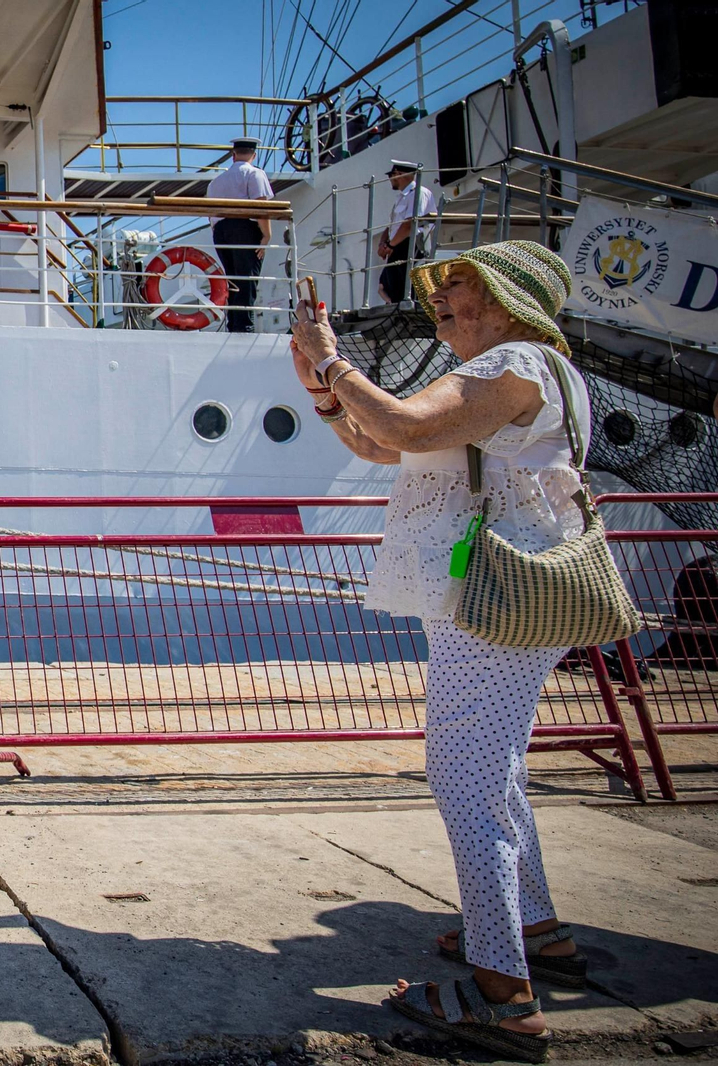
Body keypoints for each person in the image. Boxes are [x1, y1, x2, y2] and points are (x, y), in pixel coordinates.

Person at [290, 240, 592, 1064]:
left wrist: (332, 361)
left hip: (494, 598)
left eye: (462, 294)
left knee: (464, 777)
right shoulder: (522, 375)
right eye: (445, 295)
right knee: (497, 770)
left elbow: (404, 424)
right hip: (506, 593)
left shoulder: (515, 364)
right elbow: (382, 448)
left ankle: (504, 994)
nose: (444, 309)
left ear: (508, 302)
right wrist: (322, 390)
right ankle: (537, 931)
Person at [206, 136, 274, 332]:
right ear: (254, 155)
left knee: (233, 278)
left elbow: (211, 216)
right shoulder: (255, 174)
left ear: (233, 155)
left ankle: (234, 324)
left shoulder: (216, 182)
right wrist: (266, 236)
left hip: (221, 232)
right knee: (247, 278)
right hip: (245, 228)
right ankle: (244, 326)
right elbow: (260, 206)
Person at [377, 160, 436, 304]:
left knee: (405, 288)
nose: (390, 179)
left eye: (391, 175)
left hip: (411, 244)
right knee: (384, 285)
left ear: (399, 174)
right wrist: (383, 243)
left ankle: (404, 308)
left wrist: (390, 246)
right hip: (397, 244)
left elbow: (410, 225)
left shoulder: (419, 193)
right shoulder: (403, 197)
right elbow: (392, 226)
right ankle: (396, 307)